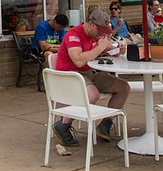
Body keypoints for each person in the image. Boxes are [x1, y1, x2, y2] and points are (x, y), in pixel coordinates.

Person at [53, 10, 130, 147]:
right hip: (70, 75)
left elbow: (107, 49)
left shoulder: (97, 36)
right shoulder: (73, 35)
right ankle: (64, 124)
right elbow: (78, 60)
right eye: (99, 30)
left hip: (88, 72)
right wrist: (100, 47)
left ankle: (105, 124)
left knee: (123, 87)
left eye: (104, 30)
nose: (102, 34)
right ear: (91, 24)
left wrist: (118, 51)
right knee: (92, 95)